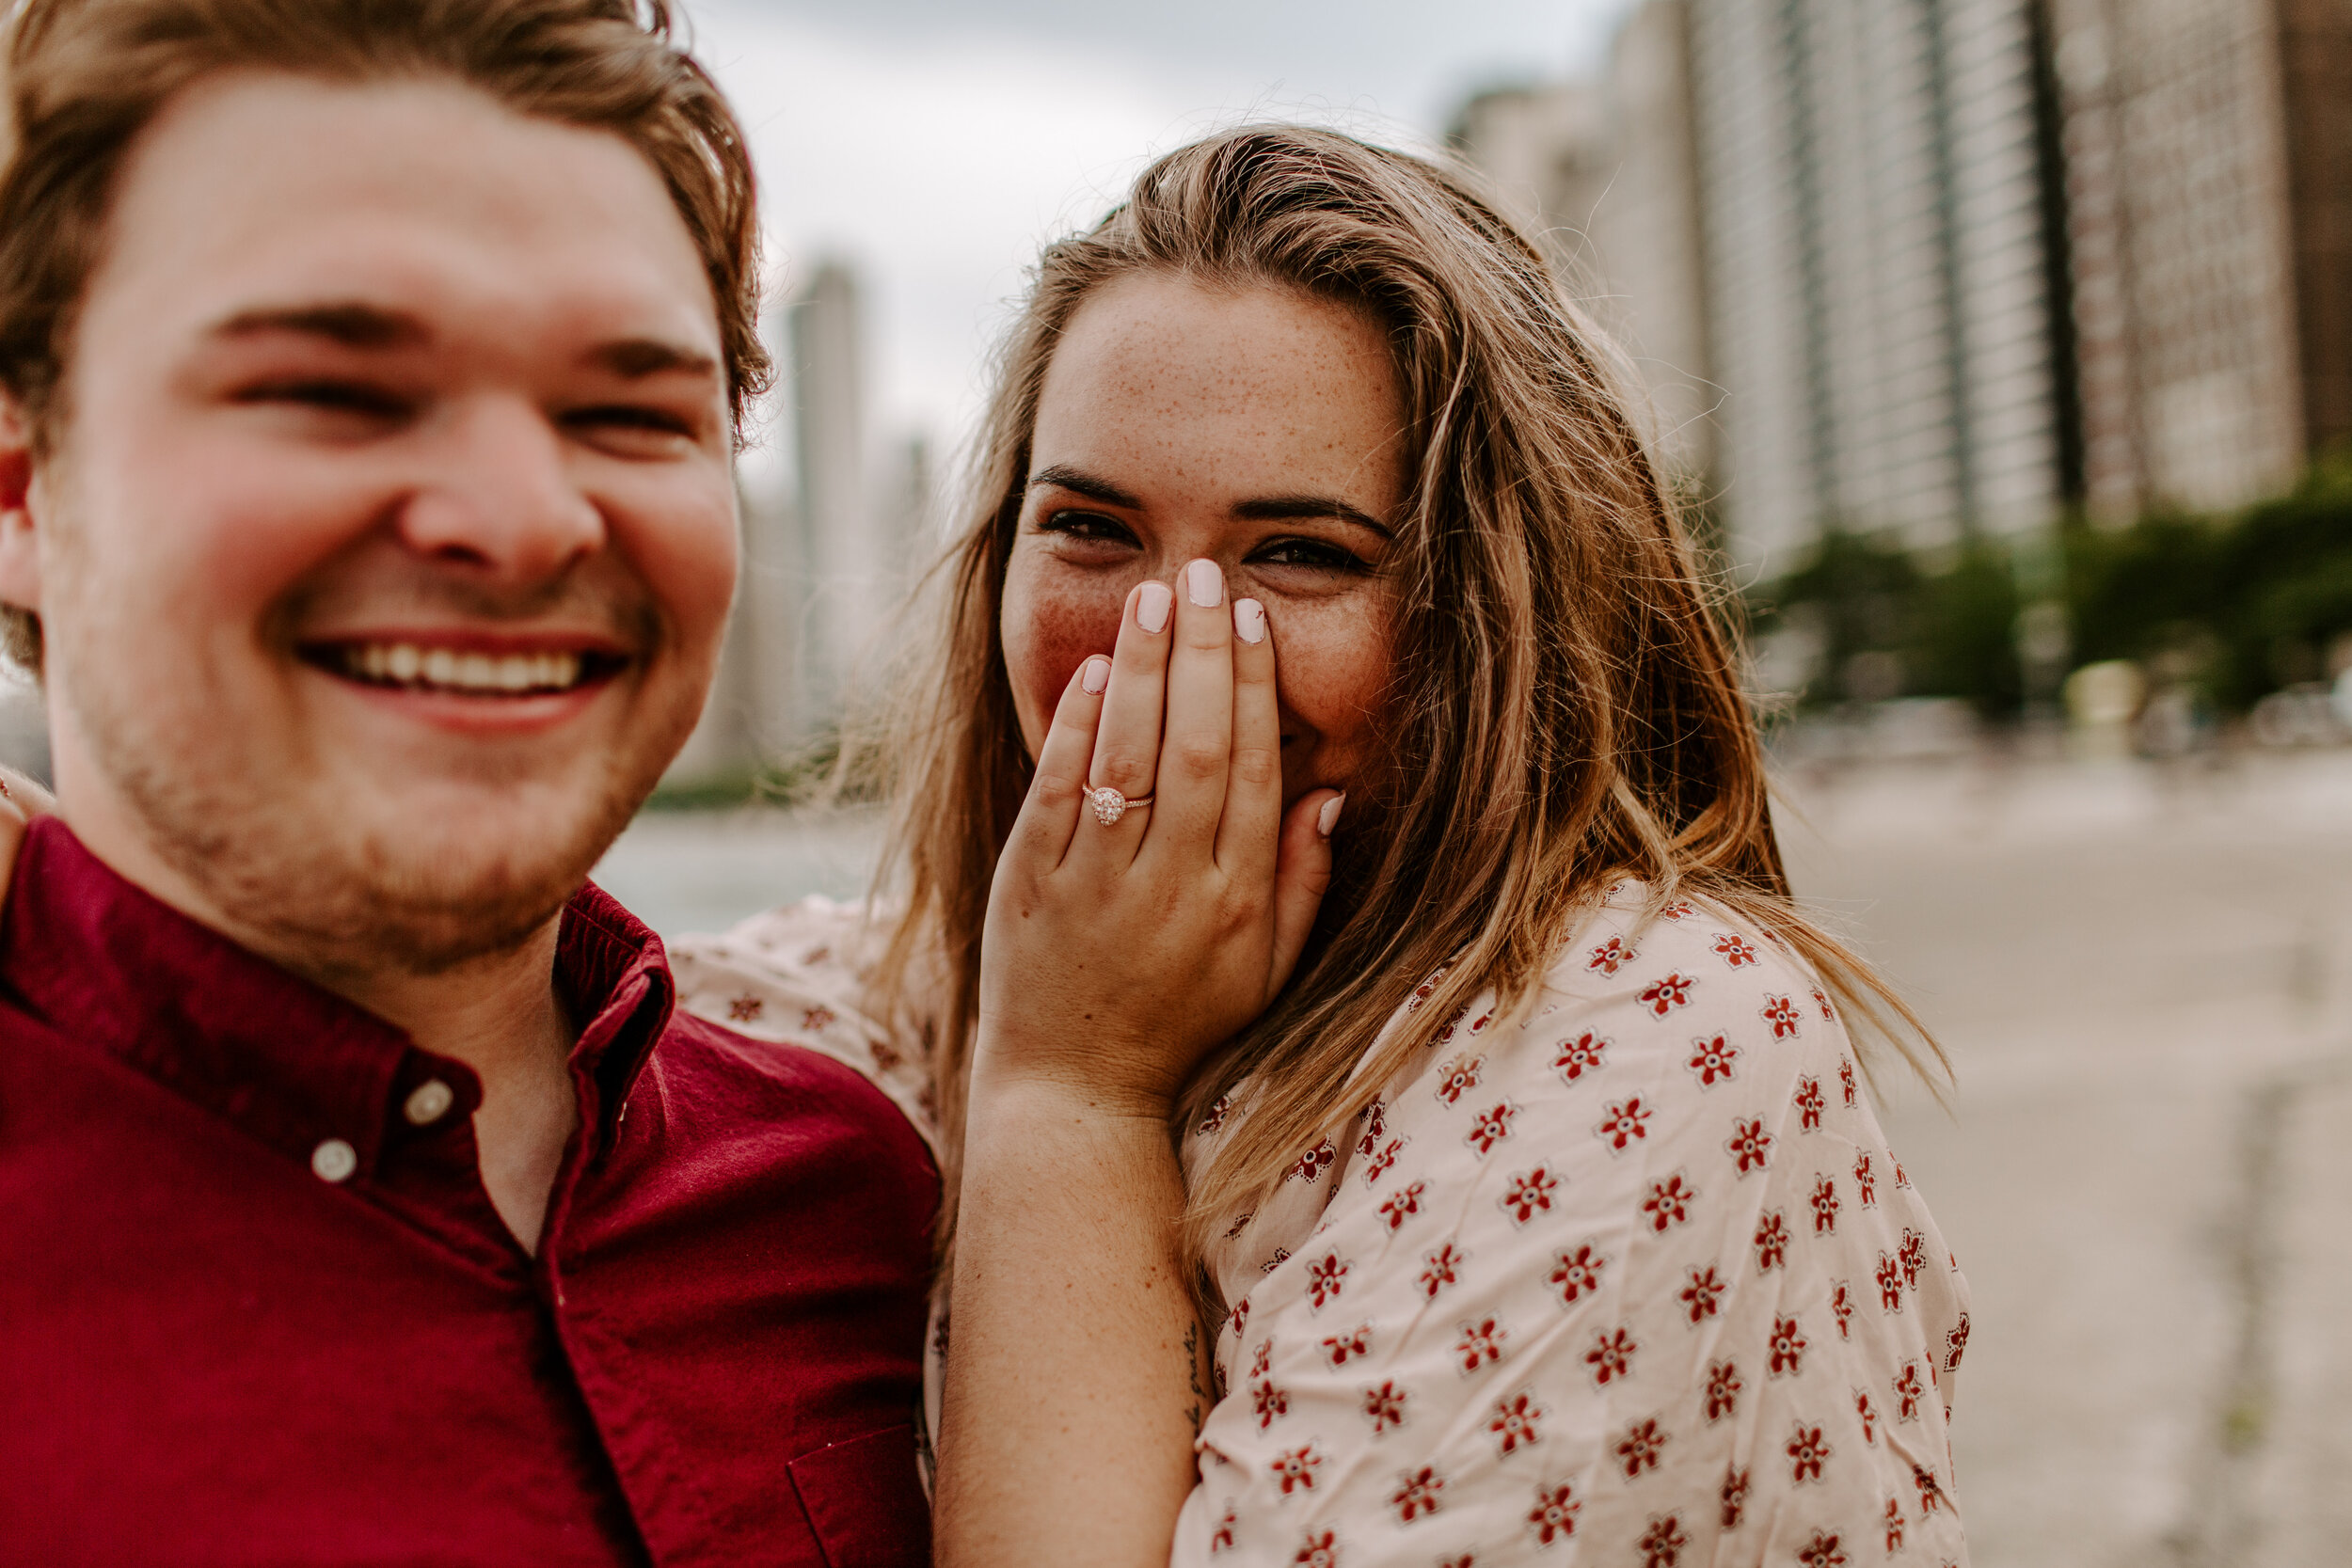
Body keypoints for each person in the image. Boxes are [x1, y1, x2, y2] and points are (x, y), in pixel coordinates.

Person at [675, 127, 1972, 1566]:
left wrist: (1076, 1084)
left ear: (1491, 620)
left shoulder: (1657, 1038)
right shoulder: (869, 1006)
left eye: (1301, 552)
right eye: (1092, 528)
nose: (1166, 639)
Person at [0, 2, 935, 1561]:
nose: (521, 520)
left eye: (630, 415)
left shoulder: (852, 1192)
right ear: (24, 489)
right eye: (334, 391)